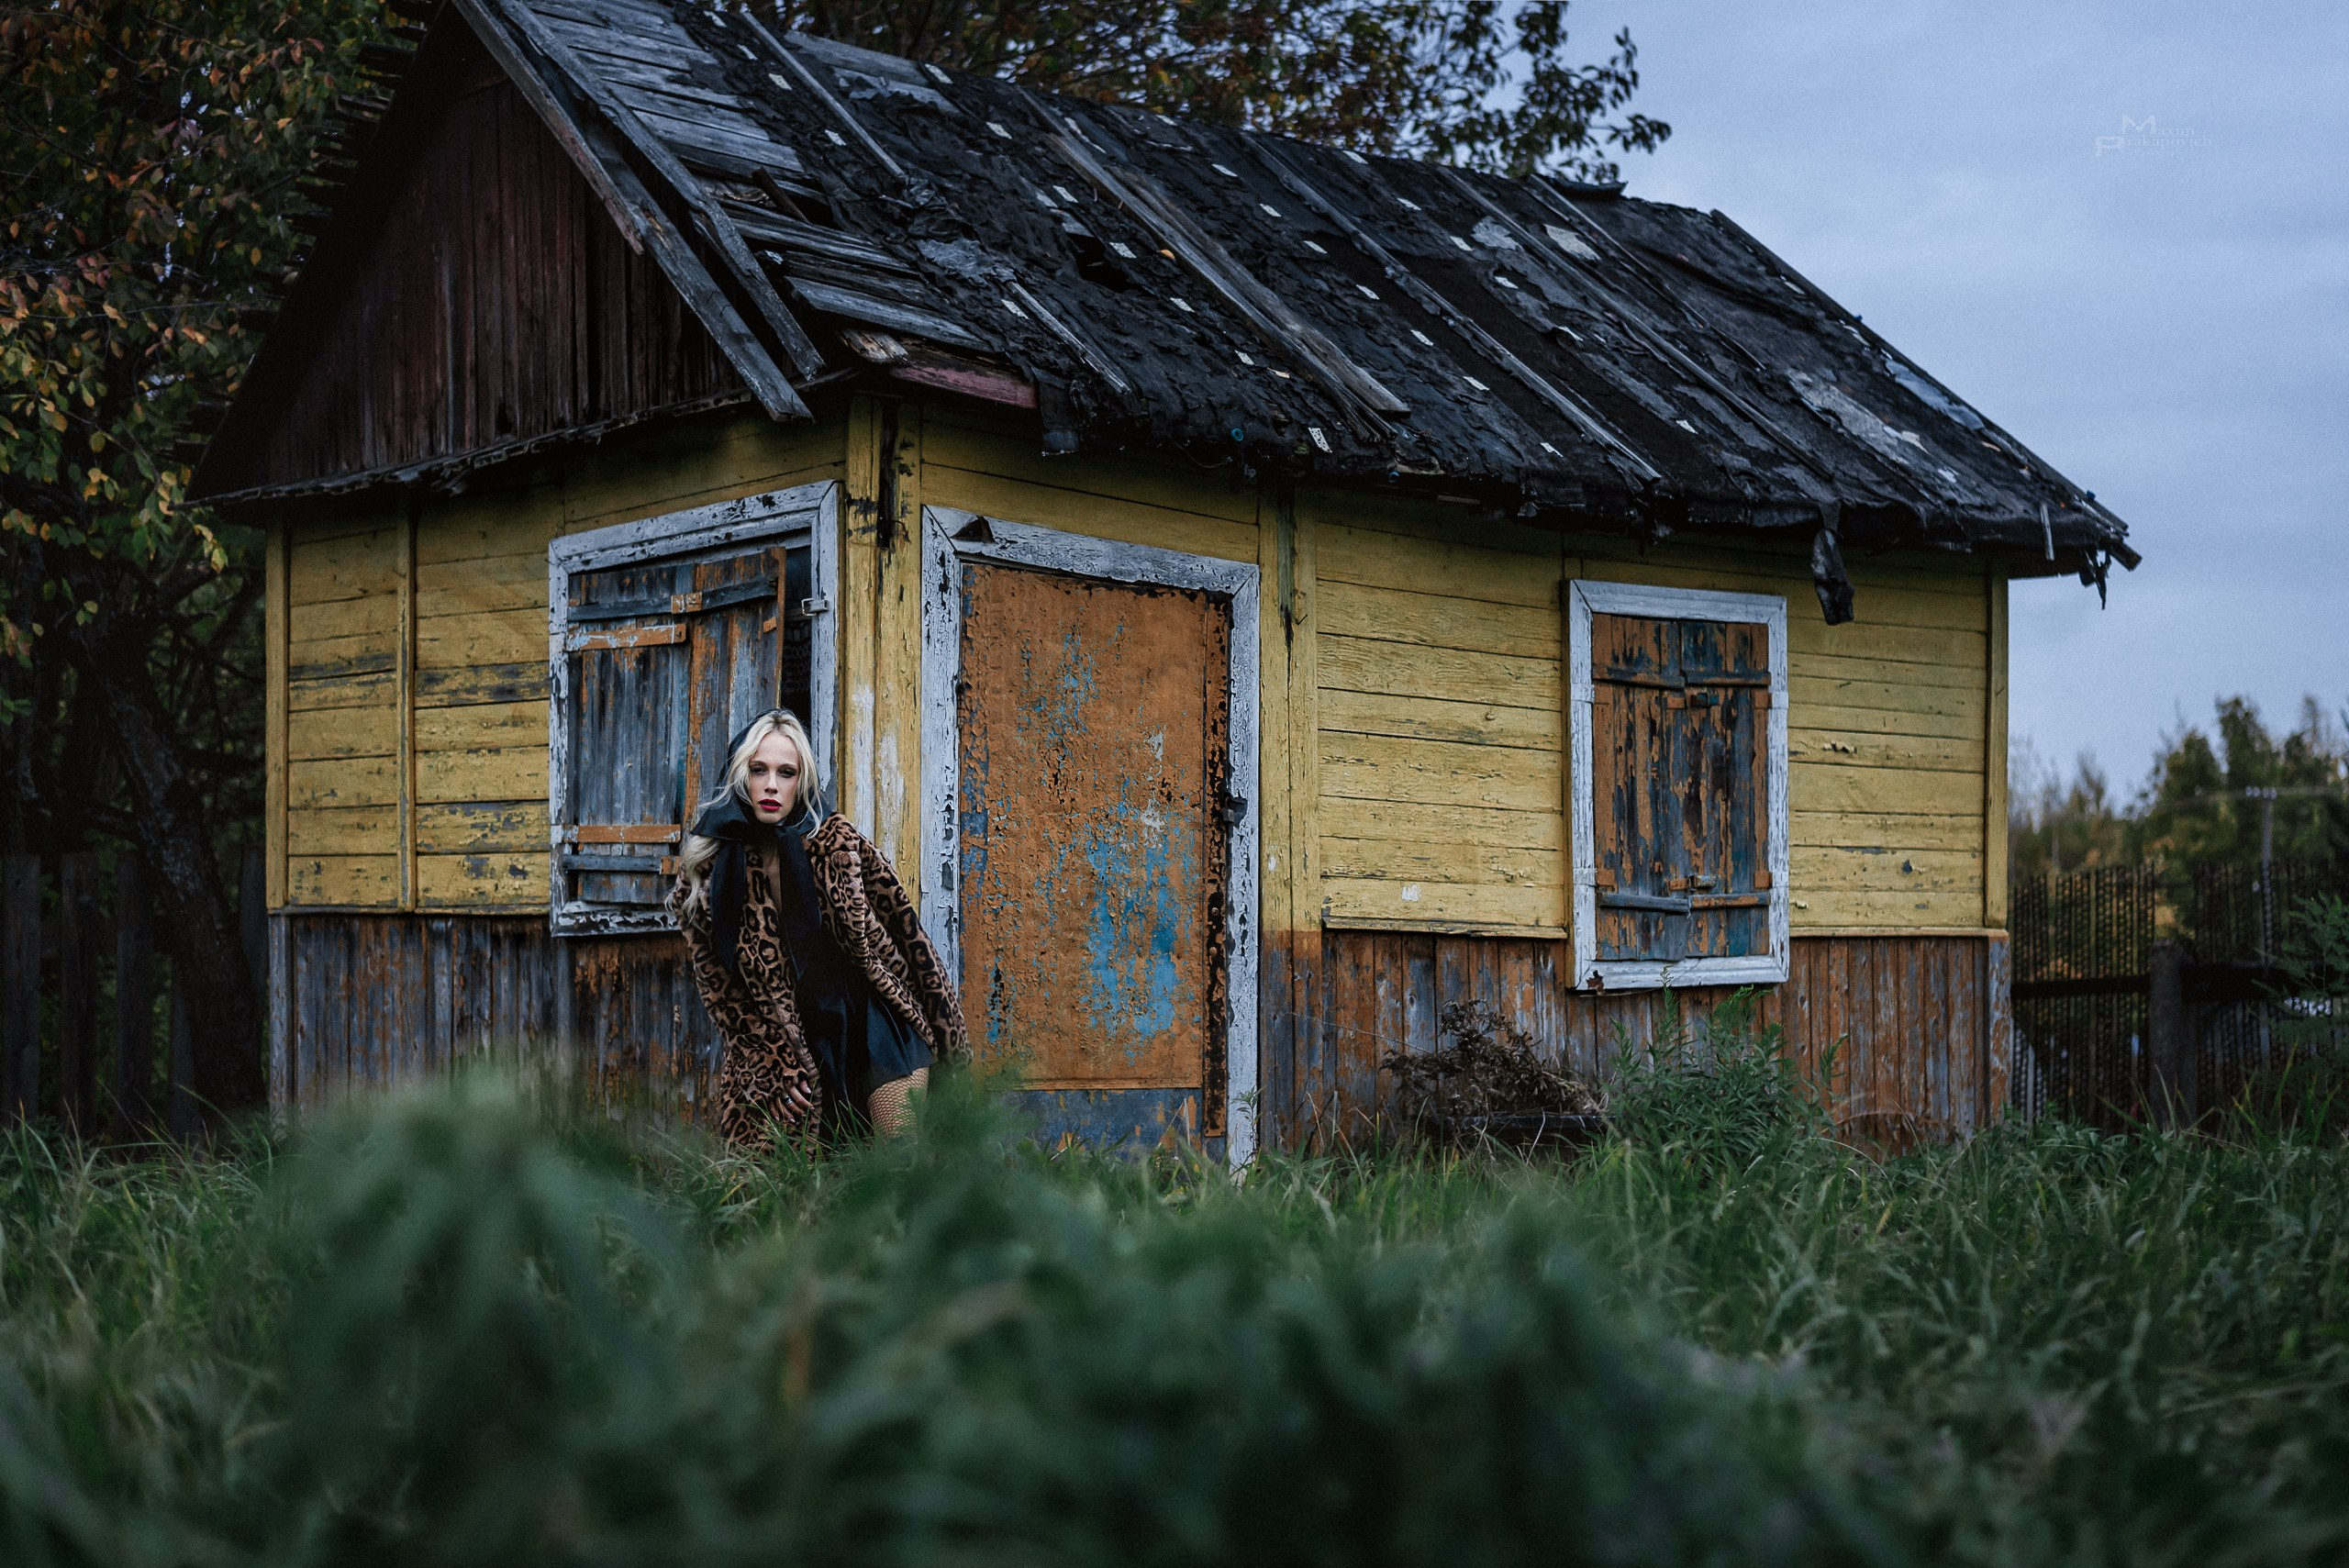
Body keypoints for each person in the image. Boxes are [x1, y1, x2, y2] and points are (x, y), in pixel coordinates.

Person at [669, 709, 967, 1146]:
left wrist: (947, 1038)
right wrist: (768, 1064)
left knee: (900, 1161)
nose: (771, 785)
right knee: (800, 1182)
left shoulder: (837, 844)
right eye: (758, 770)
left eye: (786, 773)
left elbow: (909, 937)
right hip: (791, 1043)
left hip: (874, 1023)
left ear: (801, 780)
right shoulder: (706, 874)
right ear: (739, 776)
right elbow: (722, 994)